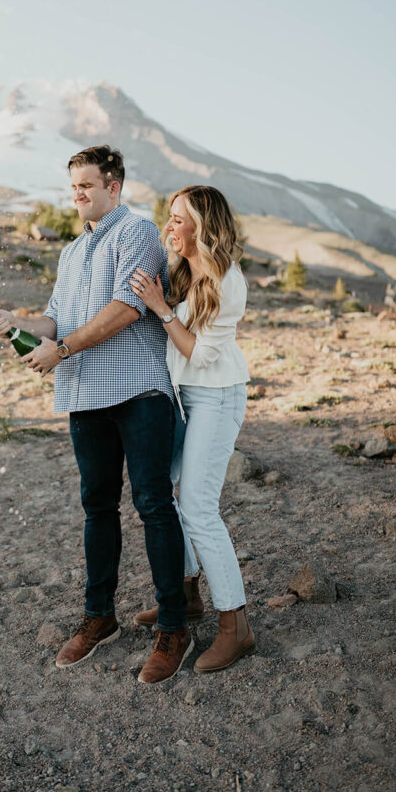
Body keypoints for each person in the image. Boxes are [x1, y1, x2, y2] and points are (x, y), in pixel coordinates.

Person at [0, 145, 193, 685]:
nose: (78, 194)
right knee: (97, 508)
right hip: (86, 397)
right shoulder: (73, 250)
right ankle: (99, 617)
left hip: (139, 392)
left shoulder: (138, 232)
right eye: (73, 186)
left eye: (88, 185)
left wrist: (64, 350)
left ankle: (174, 625)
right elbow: (55, 319)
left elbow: (127, 309)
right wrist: (20, 321)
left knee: (153, 506)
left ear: (114, 187)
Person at [129, 185, 255, 672]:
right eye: (169, 216)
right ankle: (185, 598)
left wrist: (161, 309)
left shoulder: (228, 281)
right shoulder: (181, 270)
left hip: (218, 398)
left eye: (179, 219)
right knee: (167, 495)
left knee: (199, 507)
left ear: (203, 226)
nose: (169, 227)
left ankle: (236, 626)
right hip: (182, 399)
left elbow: (201, 355)